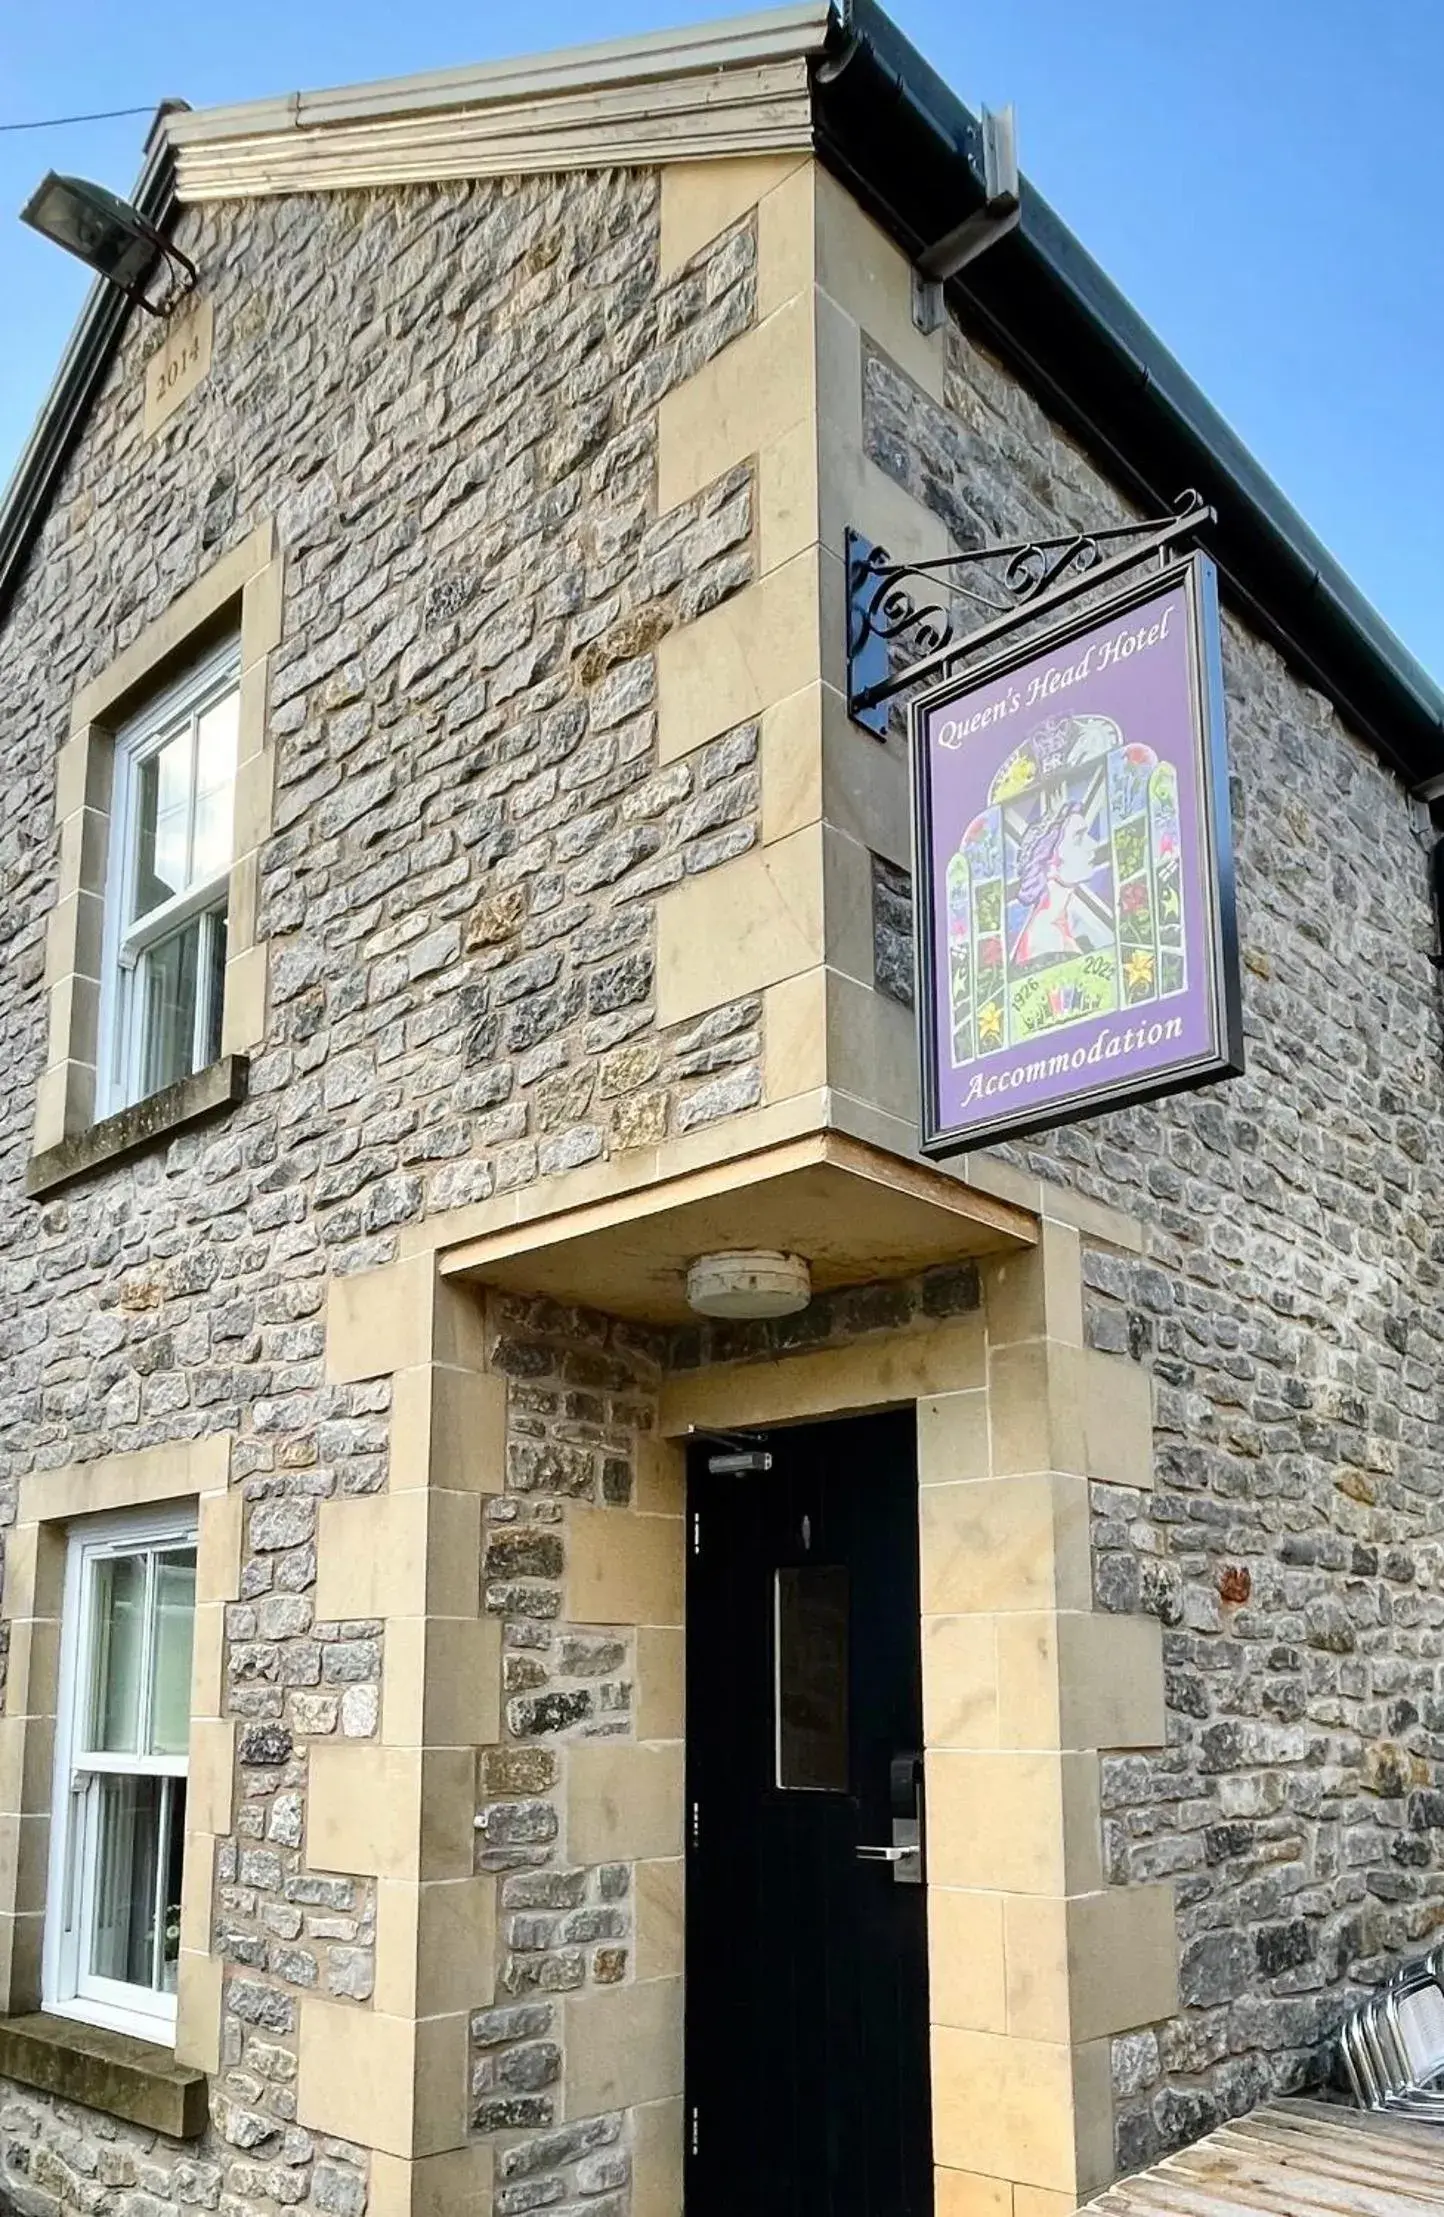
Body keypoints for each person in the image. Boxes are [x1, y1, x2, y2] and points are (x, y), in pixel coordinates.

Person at [1010, 801, 1113, 963]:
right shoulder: (1046, 937)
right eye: (1078, 838)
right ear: (1049, 859)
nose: (1093, 845)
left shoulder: (1060, 923)